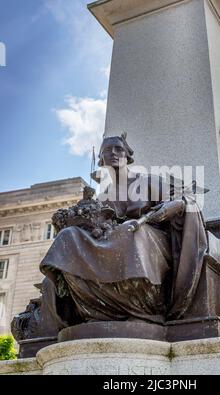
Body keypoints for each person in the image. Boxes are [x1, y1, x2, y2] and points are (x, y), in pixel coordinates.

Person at [40, 134, 207, 329]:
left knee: (128, 232)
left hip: (149, 239)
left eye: (118, 149)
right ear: (101, 160)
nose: (113, 153)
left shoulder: (147, 181)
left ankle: (143, 308)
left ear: (128, 156)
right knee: (67, 237)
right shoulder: (103, 197)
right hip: (114, 241)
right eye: (107, 150)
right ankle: (97, 308)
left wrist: (173, 207)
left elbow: (187, 198)